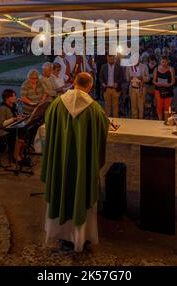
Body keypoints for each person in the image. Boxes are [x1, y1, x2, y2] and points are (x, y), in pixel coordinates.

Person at [41, 72, 109, 253]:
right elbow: (103, 131)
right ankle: (81, 238)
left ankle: (59, 234)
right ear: (90, 87)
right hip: (83, 166)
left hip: (61, 164)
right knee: (82, 191)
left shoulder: (56, 105)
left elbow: (48, 125)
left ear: (73, 82)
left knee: (61, 187)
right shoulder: (94, 109)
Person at [0, 89, 26, 162]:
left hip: (12, 126)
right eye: (12, 96)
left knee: (24, 129)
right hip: (4, 130)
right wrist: (14, 119)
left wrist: (20, 117)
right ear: (7, 98)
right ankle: (16, 155)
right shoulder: (3, 108)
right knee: (21, 131)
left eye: (14, 96)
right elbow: (2, 124)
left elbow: (15, 116)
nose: (14, 98)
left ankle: (19, 153)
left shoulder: (13, 105)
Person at [153, 56, 175, 120]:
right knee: (159, 106)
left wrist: (168, 85)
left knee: (167, 106)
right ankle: (160, 120)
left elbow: (173, 81)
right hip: (158, 90)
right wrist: (158, 84)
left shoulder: (171, 69)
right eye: (162, 62)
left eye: (165, 62)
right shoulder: (156, 69)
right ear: (160, 62)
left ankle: (166, 120)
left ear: (168, 62)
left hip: (168, 90)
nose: (164, 63)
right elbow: (154, 81)